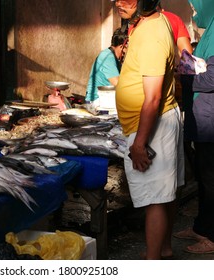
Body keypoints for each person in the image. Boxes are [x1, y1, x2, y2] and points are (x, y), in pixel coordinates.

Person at [114, 0, 185, 259]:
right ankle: (164, 249)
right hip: (157, 119)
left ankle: (152, 261)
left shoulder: (153, 34)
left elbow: (153, 98)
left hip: (152, 123)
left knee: (155, 198)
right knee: (165, 192)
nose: (119, 3)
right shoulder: (148, 23)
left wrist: (139, 143)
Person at [173, 0, 214, 254]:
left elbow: (212, 77)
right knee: (203, 177)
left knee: (211, 180)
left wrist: (187, 74)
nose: (195, 12)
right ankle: (201, 227)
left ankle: (212, 236)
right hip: (203, 115)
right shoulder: (209, 30)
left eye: (197, 6)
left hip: (211, 119)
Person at [85, 28, 128, 103]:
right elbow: (117, 83)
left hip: (105, 98)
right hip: (96, 100)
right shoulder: (108, 57)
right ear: (122, 46)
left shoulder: (115, 58)